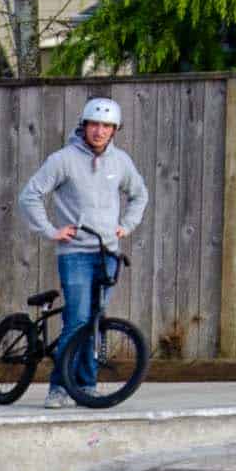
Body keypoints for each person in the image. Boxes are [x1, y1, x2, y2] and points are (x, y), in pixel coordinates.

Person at [18, 96, 148, 407]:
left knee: (95, 320)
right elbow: (30, 196)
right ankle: (60, 387)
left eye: (106, 126)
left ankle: (86, 384)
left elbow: (139, 195)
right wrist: (51, 230)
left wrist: (126, 226)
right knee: (77, 319)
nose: (99, 131)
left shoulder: (121, 162)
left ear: (115, 130)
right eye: (94, 124)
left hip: (108, 253)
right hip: (75, 253)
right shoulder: (63, 160)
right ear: (84, 125)